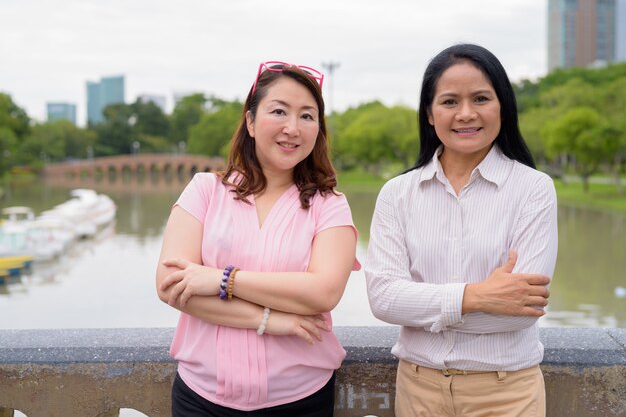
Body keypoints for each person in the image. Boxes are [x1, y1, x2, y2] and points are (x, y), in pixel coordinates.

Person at [156, 61, 359, 416]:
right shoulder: (205, 191)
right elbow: (171, 287)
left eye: (307, 116)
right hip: (201, 399)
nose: (292, 128)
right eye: (278, 111)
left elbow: (323, 293)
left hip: (300, 399)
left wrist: (221, 279)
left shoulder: (330, 206)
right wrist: (269, 320)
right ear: (250, 121)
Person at [365, 44, 558, 417]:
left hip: (507, 393)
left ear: (503, 105)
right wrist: (478, 295)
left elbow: (521, 310)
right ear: (429, 113)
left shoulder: (534, 189)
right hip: (418, 389)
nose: (466, 114)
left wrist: (423, 305)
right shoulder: (397, 194)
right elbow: (384, 299)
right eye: (450, 101)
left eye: (481, 98)